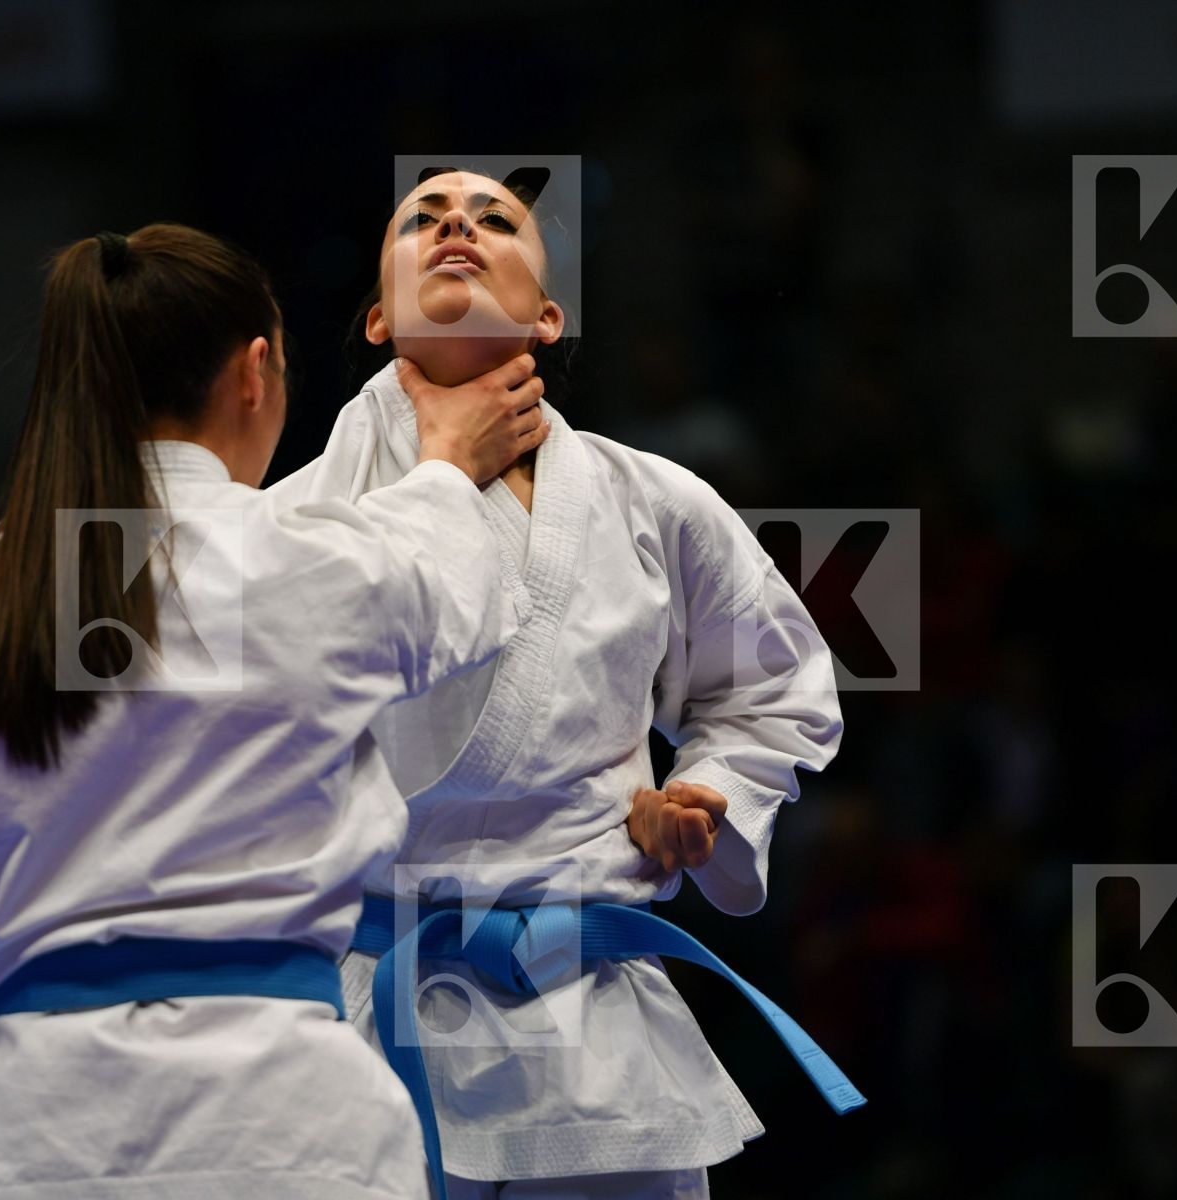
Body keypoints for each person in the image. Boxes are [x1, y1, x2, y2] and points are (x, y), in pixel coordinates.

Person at [0, 222, 550, 1200]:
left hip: (32, 1125)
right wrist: (446, 461)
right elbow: (464, 586)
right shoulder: (329, 561)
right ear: (254, 371)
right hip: (288, 1125)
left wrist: (47, 902)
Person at [270, 169, 862, 1199]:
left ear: (547, 317)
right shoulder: (288, 523)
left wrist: (709, 797)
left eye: (495, 218)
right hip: (358, 1017)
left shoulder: (655, 501)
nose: (455, 223)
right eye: (423, 218)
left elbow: (771, 688)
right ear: (376, 319)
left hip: (587, 1018)